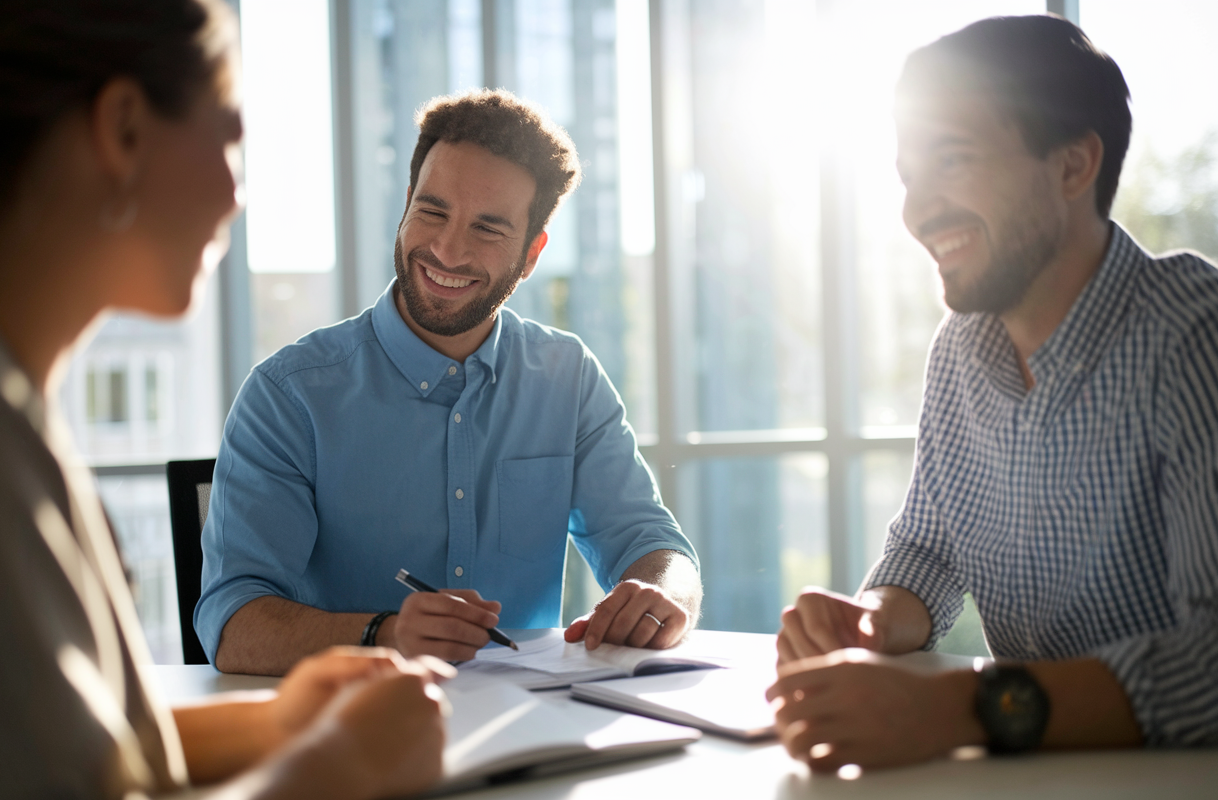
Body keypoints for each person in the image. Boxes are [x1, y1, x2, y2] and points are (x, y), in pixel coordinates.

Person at [0, 2, 449, 797]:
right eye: (230, 138)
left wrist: (278, 724)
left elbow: (77, 754)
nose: (236, 195)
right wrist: (344, 767)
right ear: (125, 128)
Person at [767, 14, 1218, 771]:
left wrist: (961, 708)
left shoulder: (1194, 339)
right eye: (910, 175)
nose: (917, 210)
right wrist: (872, 620)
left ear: (1074, 166)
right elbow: (929, 552)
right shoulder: (964, 348)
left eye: (954, 159)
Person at [196, 89, 702, 676]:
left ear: (531, 254)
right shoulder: (288, 395)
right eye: (433, 212)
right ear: (408, 203)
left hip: (528, 732)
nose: (447, 249)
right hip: (351, 738)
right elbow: (233, 626)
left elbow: (653, 543)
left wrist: (662, 593)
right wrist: (383, 635)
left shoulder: (568, 377)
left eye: (488, 229)